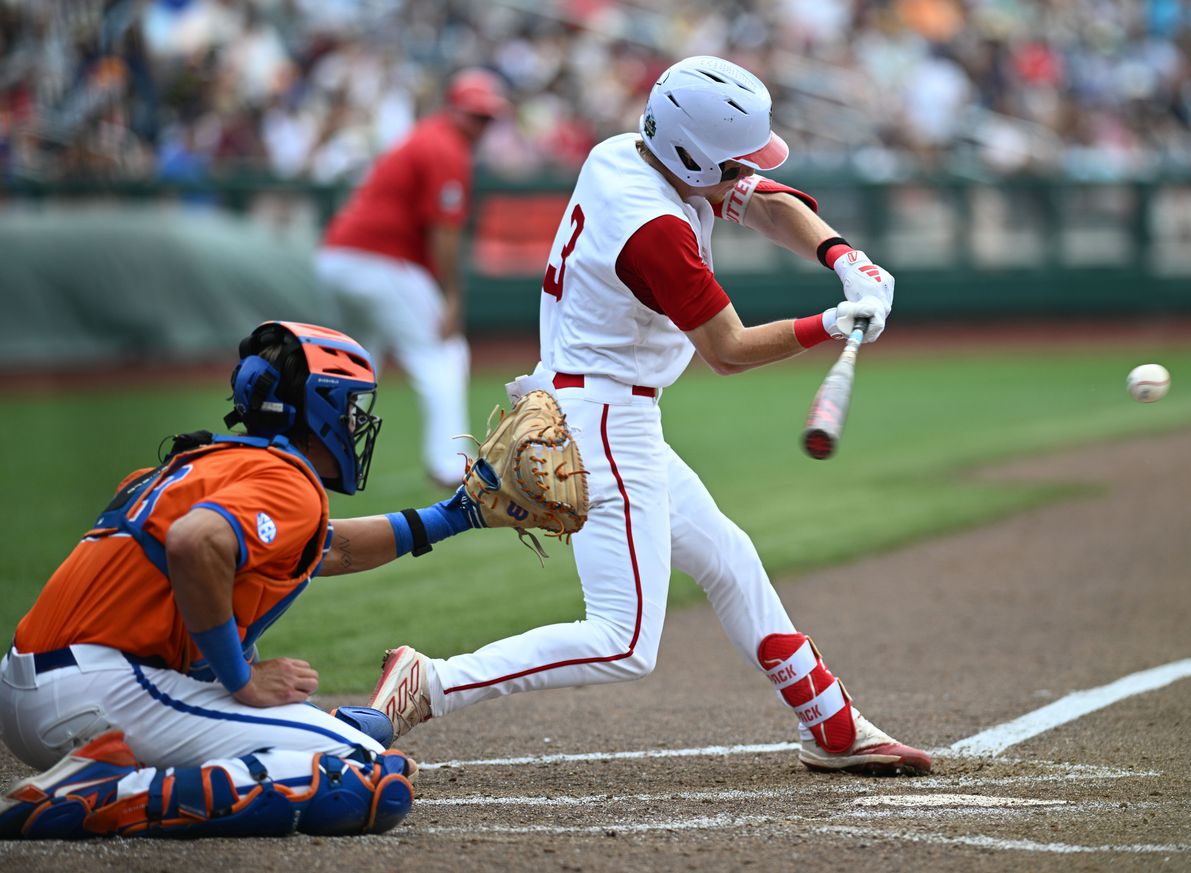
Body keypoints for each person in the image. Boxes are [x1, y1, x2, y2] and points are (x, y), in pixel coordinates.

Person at [369, 57, 932, 776]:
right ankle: (431, 682)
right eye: (732, 161)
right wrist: (832, 320)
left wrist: (843, 256)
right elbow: (726, 349)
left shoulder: (625, 151)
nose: (743, 174)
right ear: (693, 155)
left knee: (728, 558)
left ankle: (830, 722)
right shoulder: (653, 228)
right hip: (603, 419)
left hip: (597, 401)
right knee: (622, 639)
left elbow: (762, 199)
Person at [0, 321, 487, 839]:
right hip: (103, 691)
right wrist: (242, 678)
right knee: (363, 773)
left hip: (37, 687)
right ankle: (109, 794)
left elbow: (329, 549)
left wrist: (461, 514)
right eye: (351, 407)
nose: (356, 422)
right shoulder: (287, 480)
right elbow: (196, 541)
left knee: (361, 758)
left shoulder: (205, 463)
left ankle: (110, 774)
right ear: (321, 409)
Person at [316, 68, 511, 490]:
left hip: (340, 257)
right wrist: (452, 296)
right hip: (378, 259)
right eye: (475, 115)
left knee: (358, 364)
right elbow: (444, 231)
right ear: (454, 110)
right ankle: (448, 464)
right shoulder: (446, 147)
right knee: (443, 353)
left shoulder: (427, 136)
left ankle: (323, 452)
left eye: (487, 118)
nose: (481, 126)